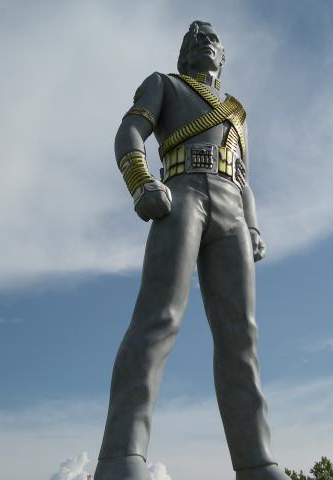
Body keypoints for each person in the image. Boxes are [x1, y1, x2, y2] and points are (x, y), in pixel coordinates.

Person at [94, 20, 289, 480]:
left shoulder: (237, 112)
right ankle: (122, 456)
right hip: (181, 195)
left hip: (232, 210)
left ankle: (257, 462)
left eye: (212, 39)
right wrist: (141, 183)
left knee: (242, 337)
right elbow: (129, 133)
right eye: (193, 38)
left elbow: (243, 174)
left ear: (223, 57)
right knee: (160, 318)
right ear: (183, 55)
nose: (203, 41)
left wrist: (254, 225)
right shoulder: (164, 84)